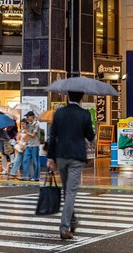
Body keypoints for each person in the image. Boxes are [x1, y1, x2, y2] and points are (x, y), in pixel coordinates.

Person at [46, 91, 95, 240]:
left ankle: (73, 221)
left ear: (68, 97)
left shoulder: (59, 113)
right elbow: (90, 136)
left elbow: (52, 136)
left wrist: (50, 157)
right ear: (81, 98)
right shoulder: (85, 114)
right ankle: (64, 227)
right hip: (76, 156)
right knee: (71, 191)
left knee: (67, 190)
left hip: (61, 155)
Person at [22, 111, 41, 181]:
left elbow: (33, 135)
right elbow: (28, 135)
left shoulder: (36, 125)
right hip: (29, 145)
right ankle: (25, 175)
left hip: (35, 145)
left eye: (28, 117)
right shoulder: (29, 125)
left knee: (35, 162)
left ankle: (36, 177)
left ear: (32, 116)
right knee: (25, 160)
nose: (27, 118)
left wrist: (26, 132)